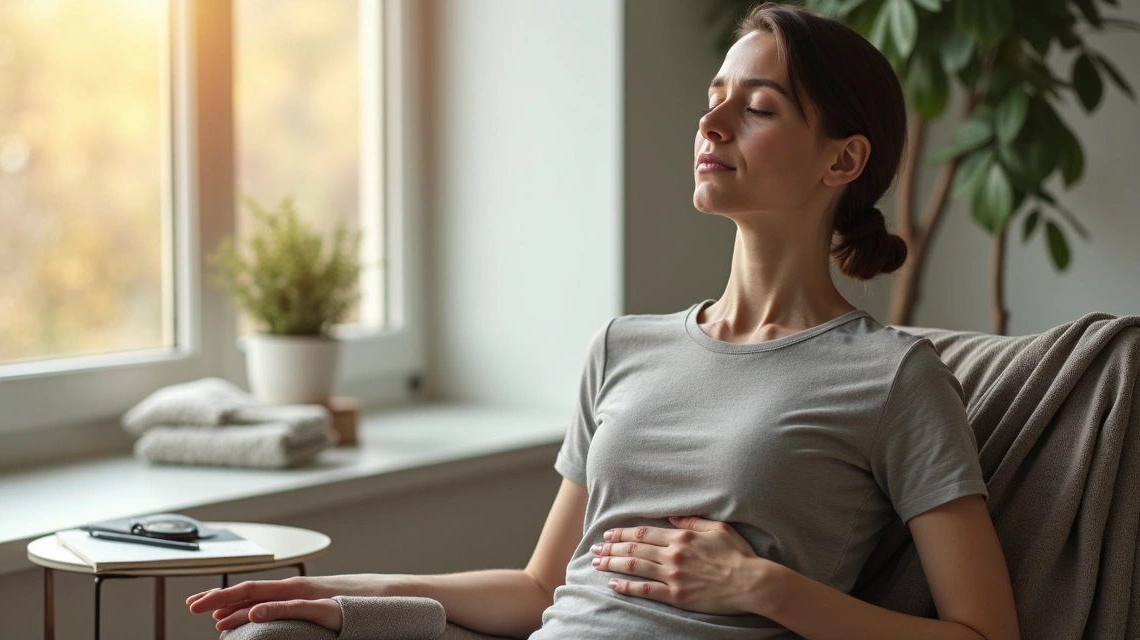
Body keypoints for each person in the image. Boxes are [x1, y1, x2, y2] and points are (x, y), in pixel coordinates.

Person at [186, 3, 1021, 638]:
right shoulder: (624, 347)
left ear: (843, 159)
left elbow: (986, 632)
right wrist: (355, 593)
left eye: (758, 109)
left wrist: (766, 589)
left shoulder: (894, 377)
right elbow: (542, 588)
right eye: (713, 99)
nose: (711, 124)